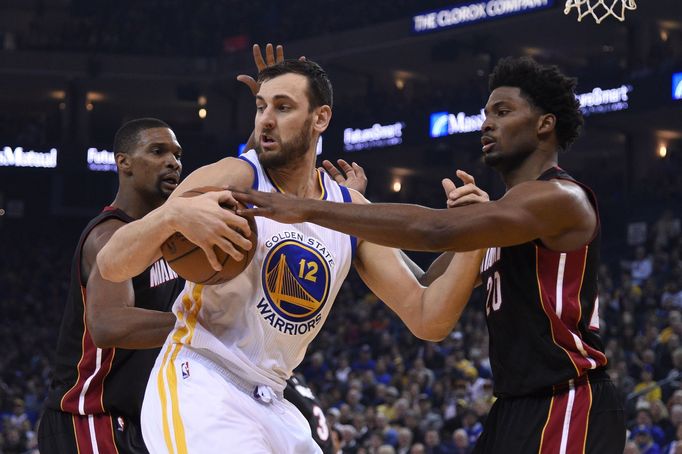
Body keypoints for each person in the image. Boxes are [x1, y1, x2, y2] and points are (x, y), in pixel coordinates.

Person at [232, 57, 626, 453]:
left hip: (569, 398)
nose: (486, 123)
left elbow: (434, 230)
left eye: (503, 112)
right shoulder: (499, 217)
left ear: (545, 124)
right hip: (514, 408)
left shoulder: (559, 197)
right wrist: (355, 205)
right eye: (485, 113)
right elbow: (424, 286)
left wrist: (313, 208)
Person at [96, 58, 487, 453]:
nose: (265, 119)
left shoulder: (347, 209)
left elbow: (428, 317)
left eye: (282, 107)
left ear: (320, 119)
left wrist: (476, 235)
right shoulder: (236, 176)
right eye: (261, 106)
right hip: (200, 380)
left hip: (274, 400)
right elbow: (112, 263)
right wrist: (172, 214)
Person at [37, 118, 186, 453]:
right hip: (89, 416)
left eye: (177, 154)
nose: (172, 161)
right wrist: (201, 325)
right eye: (158, 151)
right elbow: (107, 323)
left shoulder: (169, 236)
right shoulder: (111, 236)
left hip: (134, 420)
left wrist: (267, 113)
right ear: (124, 162)